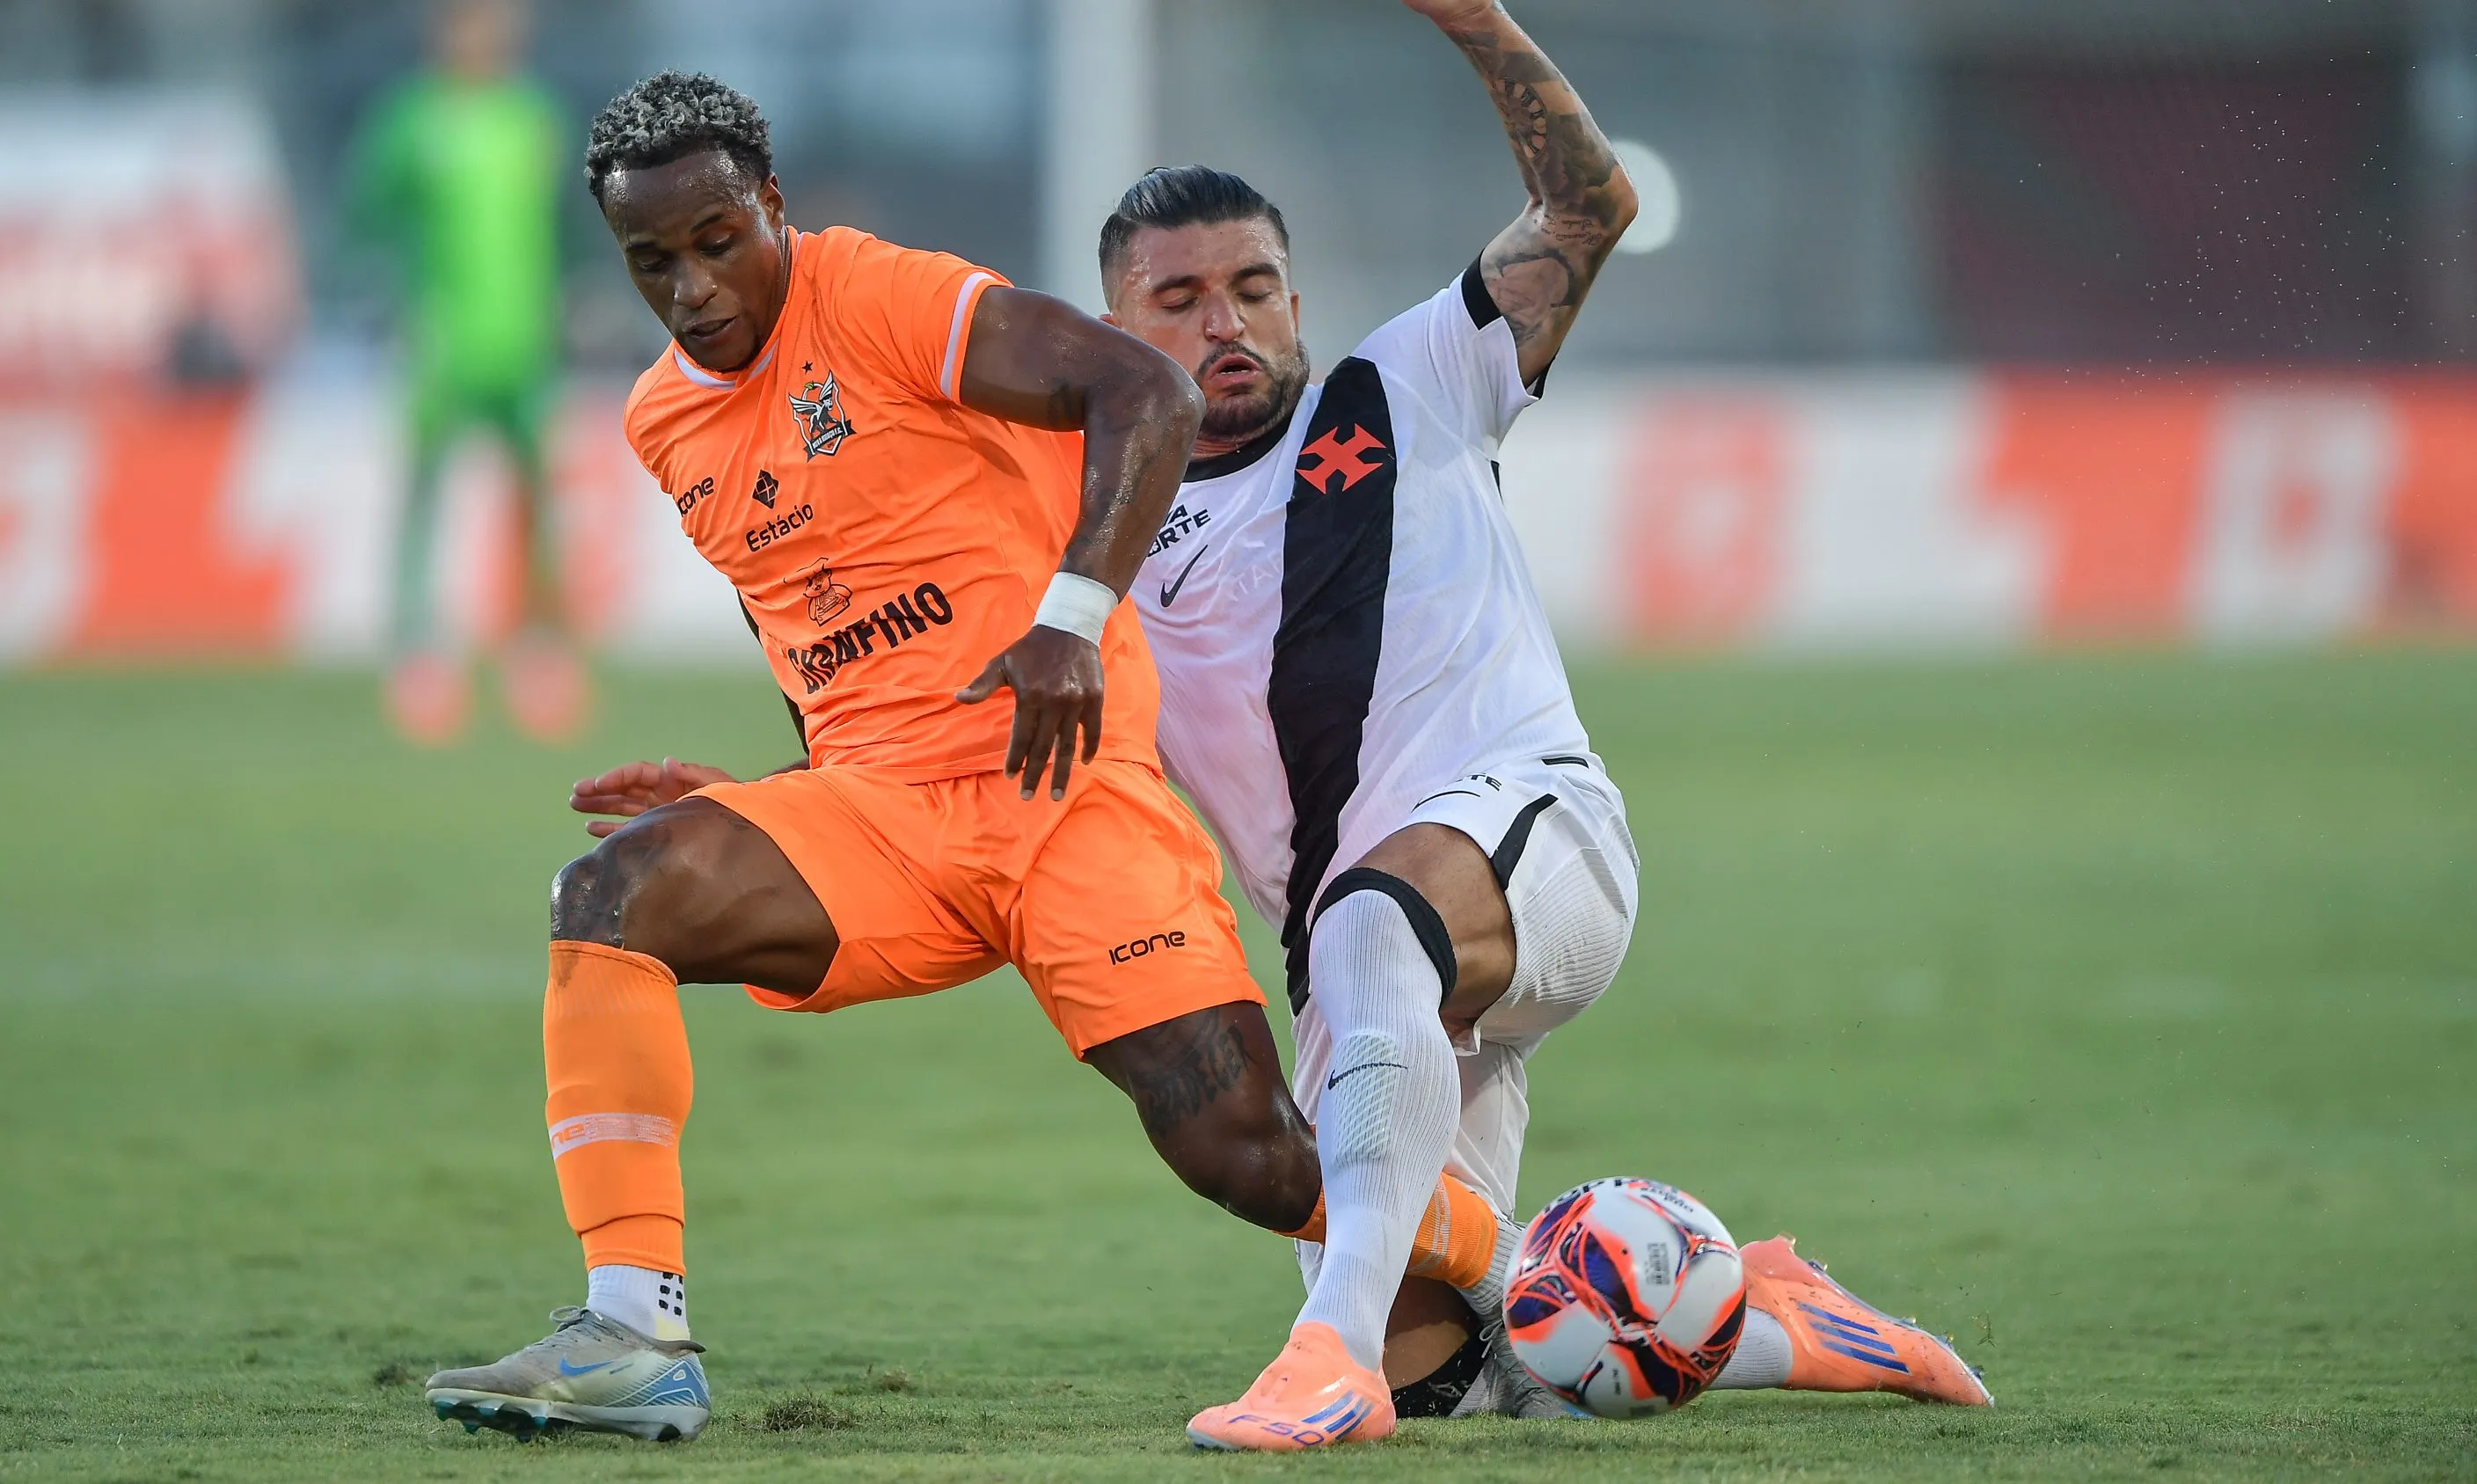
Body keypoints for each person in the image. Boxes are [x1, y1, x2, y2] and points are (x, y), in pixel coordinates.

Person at [422, 69, 1511, 1445]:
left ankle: (1522, 1266)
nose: (691, 287)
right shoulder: (663, 420)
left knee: (1245, 1151)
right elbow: (802, 615)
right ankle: (633, 1329)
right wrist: (782, 798)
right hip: (882, 814)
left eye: (717, 241)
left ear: (772, 207)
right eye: (653, 261)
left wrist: (1071, 619)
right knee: (611, 899)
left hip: (1066, 793)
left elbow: (1147, 390)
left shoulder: (881, 295)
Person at [1082, 0, 1994, 1449]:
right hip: (1362, 972)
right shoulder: (1099, 541)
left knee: (1375, 927)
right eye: (1178, 298)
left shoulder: (1409, 382)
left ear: (1296, 301)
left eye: (1254, 287)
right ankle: (1776, 1323)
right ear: (1111, 334)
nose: (1225, 322)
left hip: (1533, 840)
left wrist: (1472, 18)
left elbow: (1590, 204)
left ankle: (1325, 1359)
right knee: (1458, 1364)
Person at [342, 0, 584, 745]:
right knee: (427, 492)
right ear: (444, 30)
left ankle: (538, 648)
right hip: (442, 344)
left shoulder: (536, 117)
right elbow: (364, 216)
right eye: (473, 20)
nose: (488, 35)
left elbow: (568, 224)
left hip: (527, 341)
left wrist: (569, 301)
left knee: (536, 496)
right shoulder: (410, 121)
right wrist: (396, 297)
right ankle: (420, 651)